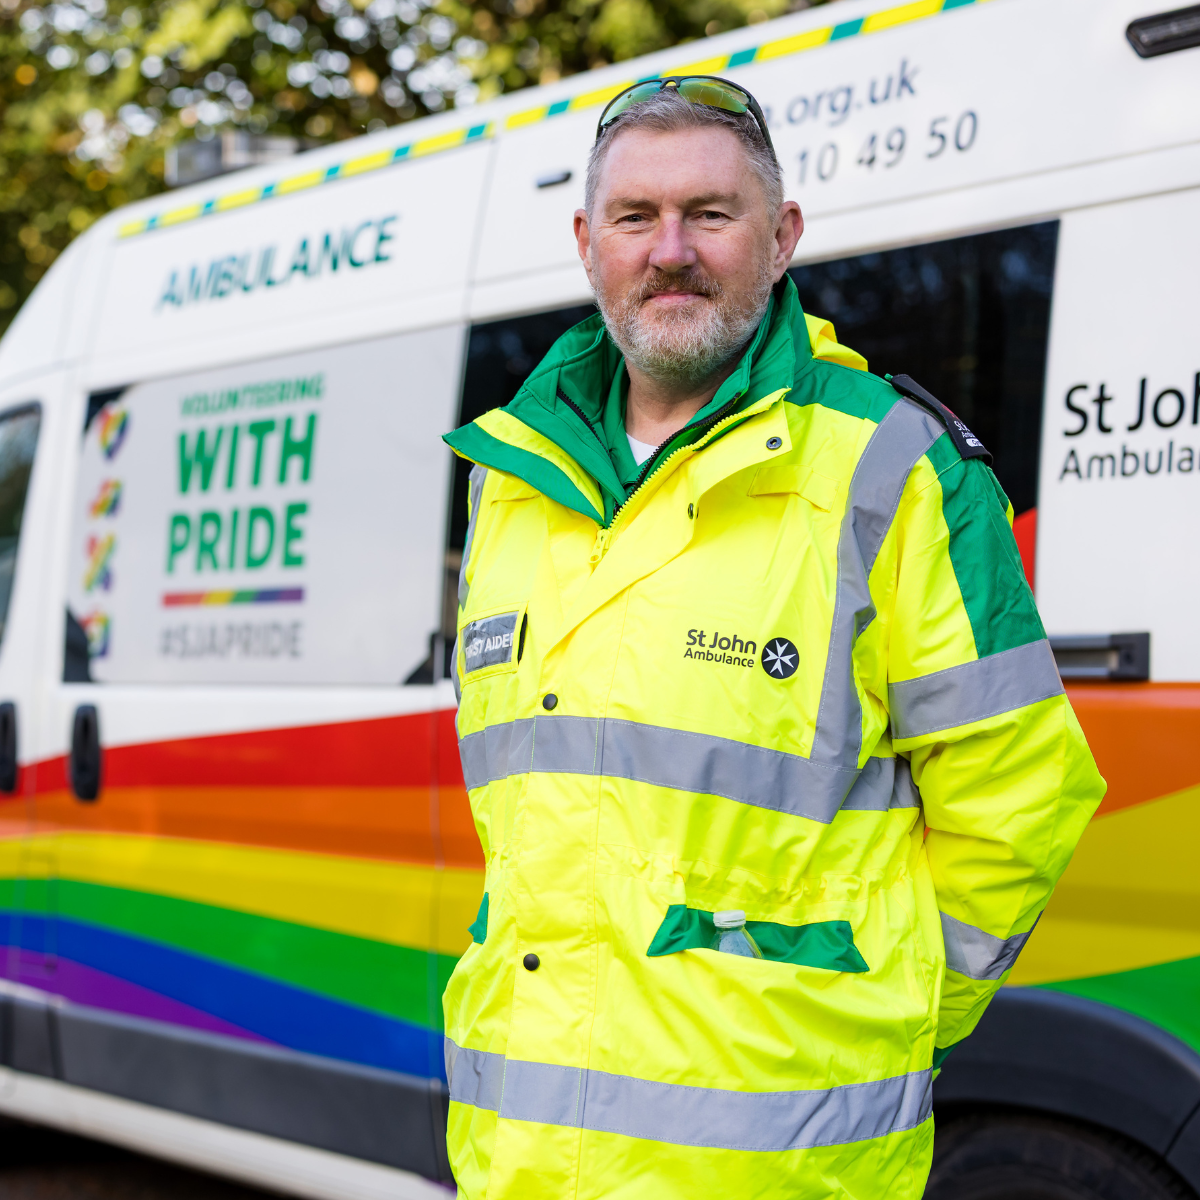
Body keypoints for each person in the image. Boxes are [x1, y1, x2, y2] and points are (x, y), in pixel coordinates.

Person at [441, 76, 1104, 1200]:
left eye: (711, 213)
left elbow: (1022, 799)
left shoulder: (898, 470)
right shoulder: (511, 481)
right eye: (635, 217)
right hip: (523, 1157)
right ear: (586, 240)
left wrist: (874, 1015)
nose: (670, 251)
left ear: (782, 236)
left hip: (783, 1166)